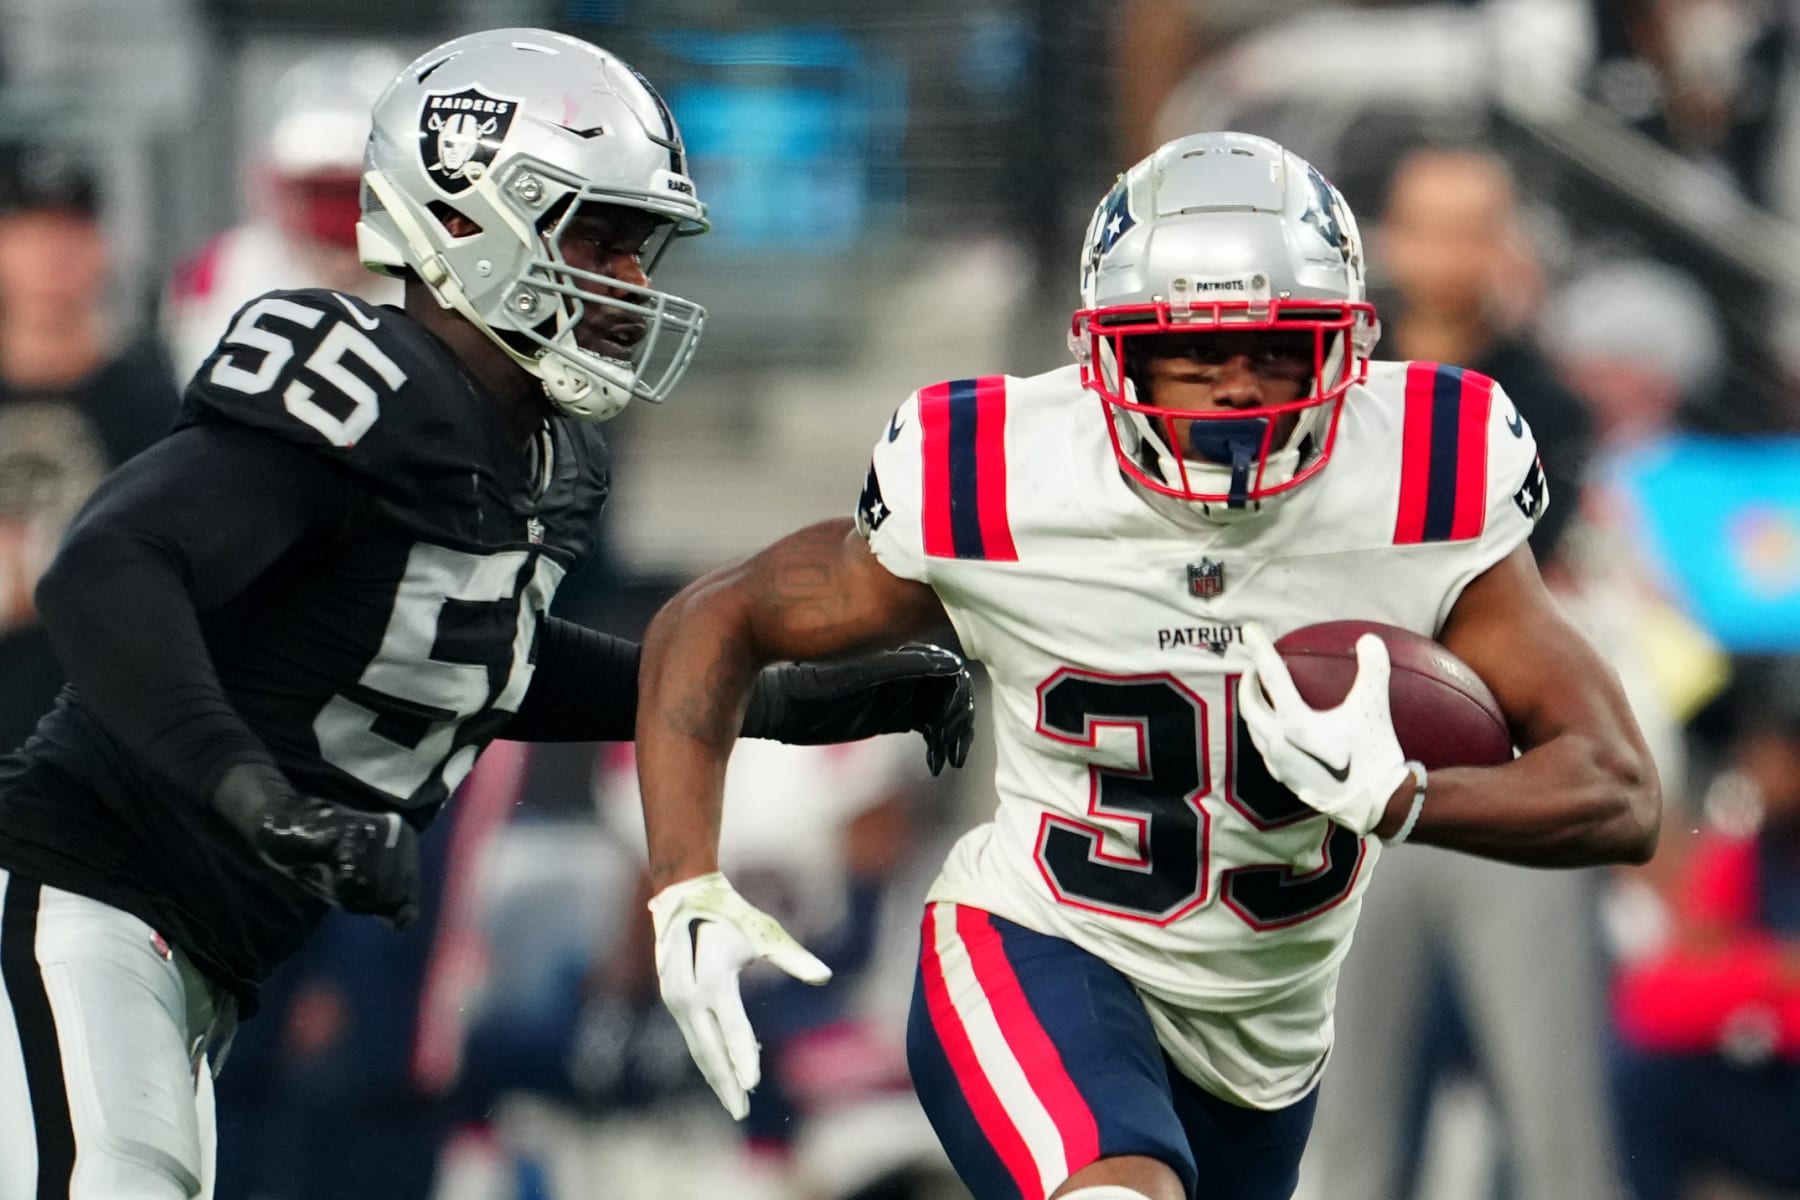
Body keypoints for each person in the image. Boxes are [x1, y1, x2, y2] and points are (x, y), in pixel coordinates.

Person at [0, 28, 975, 1200]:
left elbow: (486, 661)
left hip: (194, 944)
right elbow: (104, 569)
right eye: (598, 238)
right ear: (460, 220)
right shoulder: (358, 376)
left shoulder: (540, 454)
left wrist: (786, 705)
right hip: (78, 892)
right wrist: (258, 799)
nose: (630, 282)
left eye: (641, 248)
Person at [631, 131, 1662, 1200]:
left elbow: (1620, 792)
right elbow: (716, 618)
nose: (1236, 389)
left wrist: (1404, 800)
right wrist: (683, 884)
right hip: (1039, 943)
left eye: (1277, 349)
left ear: (1346, 345)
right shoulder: (1000, 474)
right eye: (1192, 352)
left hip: (1264, 1041)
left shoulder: (1423, 471)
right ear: (1109, 353)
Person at [1295, 146, 1626, 1200]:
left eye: (1477, 224)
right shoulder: (1330, 387)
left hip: (1506, 775)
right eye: (1432, 223)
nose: (1452, 251)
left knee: (1556, 1113)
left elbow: (1528, 568)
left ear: (1508, 243)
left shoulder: (1546, 401)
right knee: (1340, 1122)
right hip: (1349, 783)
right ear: (1389, 240)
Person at [0, 144, 179, 752]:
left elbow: (161, 574)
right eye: (30, 232)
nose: (53, 255)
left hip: (94, 749)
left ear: (102, 247)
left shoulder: (150, 405)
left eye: (72, 233)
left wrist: (33, 562)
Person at [161, 47, 405, 386]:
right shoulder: (222, 272)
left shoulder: (443, 281)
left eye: (349, 194)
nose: (336, 223)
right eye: (318, 194)